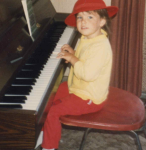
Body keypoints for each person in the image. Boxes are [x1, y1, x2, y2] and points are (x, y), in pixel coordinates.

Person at [36, 0, 118, 150]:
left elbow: (87, 74)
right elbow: (85, 58)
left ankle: (49, 147)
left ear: (102, 21)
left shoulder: (100, 47)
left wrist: (73, 59)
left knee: (54, 111)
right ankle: (43, 133)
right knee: (50, 95)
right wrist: (74, 54)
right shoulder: (88, 37)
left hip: (90, 97)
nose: (83, 22)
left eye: (90, 17)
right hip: (78, 87)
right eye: (80, 17)